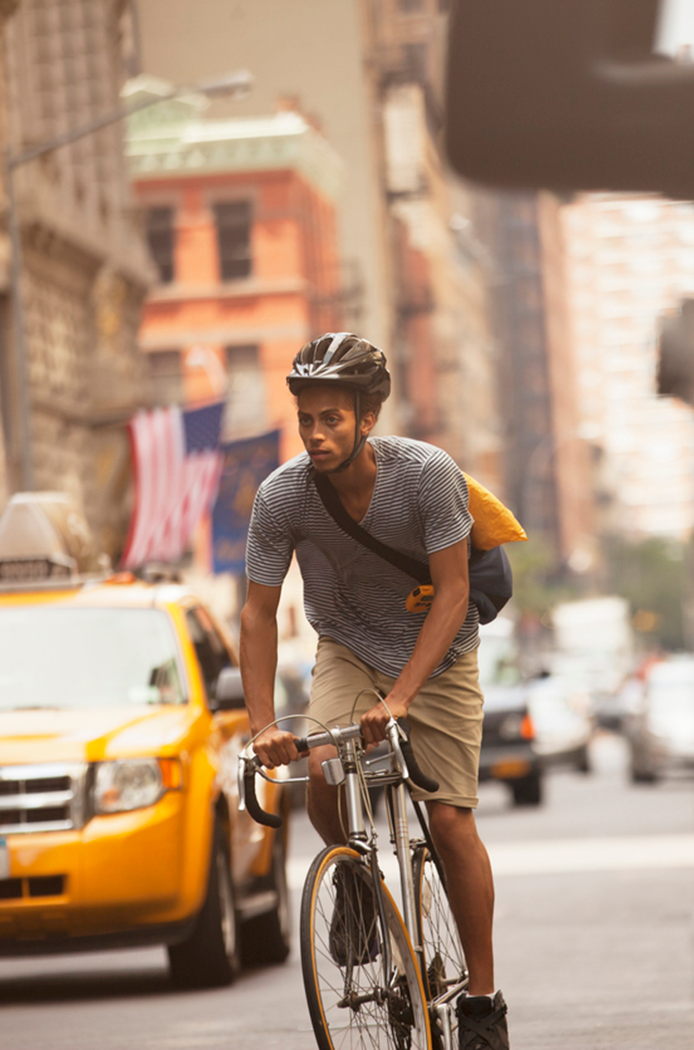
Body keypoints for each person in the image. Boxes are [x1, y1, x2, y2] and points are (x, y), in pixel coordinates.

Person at [240, 332, 510, 1050]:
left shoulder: (426, 475)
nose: (317, 433)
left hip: (438, 652)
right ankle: (357, 879)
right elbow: (256, 613)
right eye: (307, 419)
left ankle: (482, 1001)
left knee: (450, 822)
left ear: (367, 418)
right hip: (349, 647)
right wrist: (263, 723)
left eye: (332, 418)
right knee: (323, 763)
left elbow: (454, 593)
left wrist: (401, 700)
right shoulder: (281, 496)